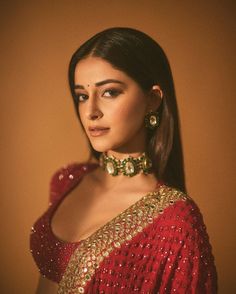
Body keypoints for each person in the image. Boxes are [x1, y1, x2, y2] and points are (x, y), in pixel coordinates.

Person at [30, 27, 217, 293]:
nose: (91, 111)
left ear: (152, 100)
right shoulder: (67, 181)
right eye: (82, 96)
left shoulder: (176, 223)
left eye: (109, 92)